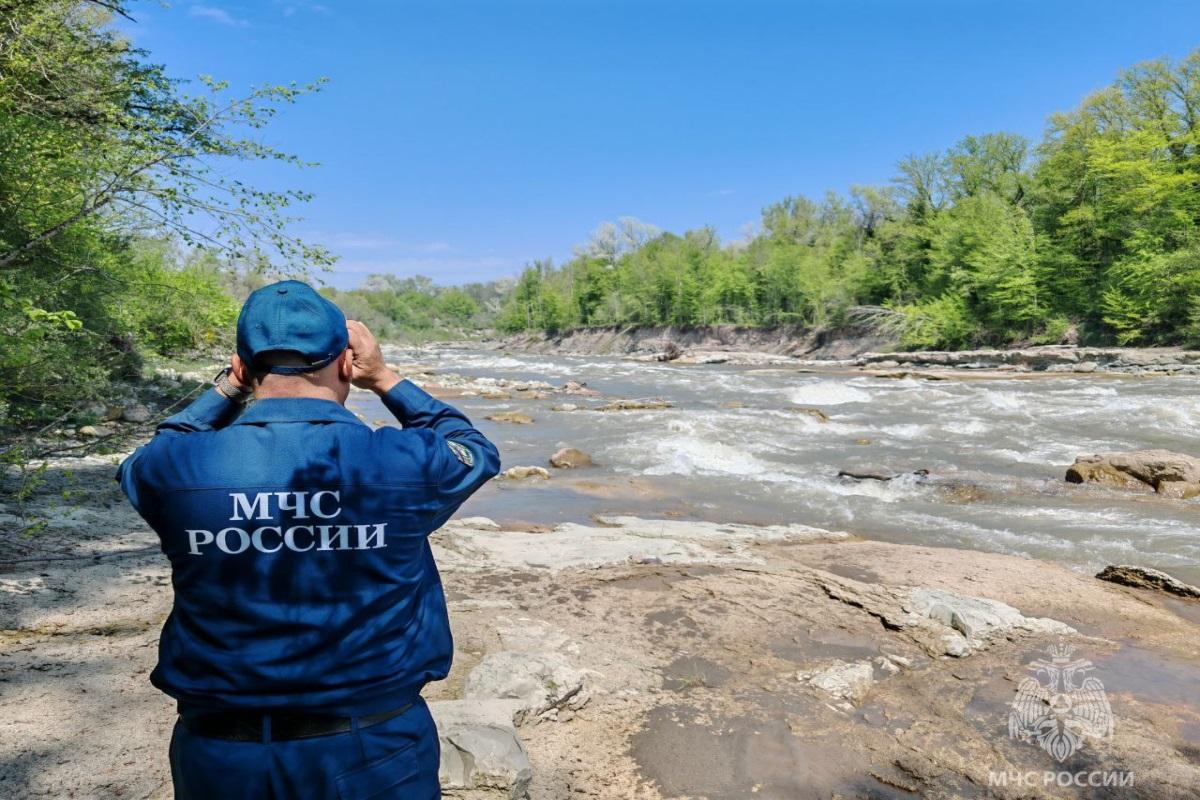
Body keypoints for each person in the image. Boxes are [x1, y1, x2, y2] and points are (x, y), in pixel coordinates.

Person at [117, 279, 500, 799]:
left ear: (244, 367)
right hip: (373, 749)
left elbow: (148, 458)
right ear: (346, 362)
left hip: (222, 754)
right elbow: (472, 448)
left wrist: (225, 391)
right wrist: (385, 377)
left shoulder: (176, 467)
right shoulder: (404, 462)